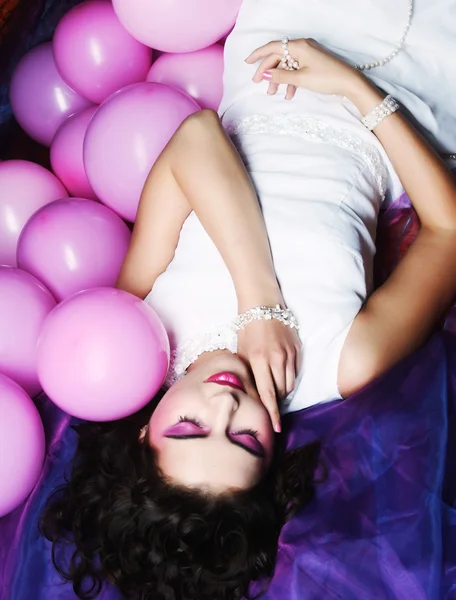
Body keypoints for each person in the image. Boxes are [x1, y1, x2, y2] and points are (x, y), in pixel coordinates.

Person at [40, 12, 456, 600]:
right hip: (420, 87)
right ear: (271, 461)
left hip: (285, 40)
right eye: (245, 440)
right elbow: (449, 232)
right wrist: (356, 90)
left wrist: (260, 305)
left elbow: (198, 137)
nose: (225, 404)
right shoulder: (339, 363)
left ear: (142, 435)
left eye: (189, 428)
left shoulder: (144, 322)